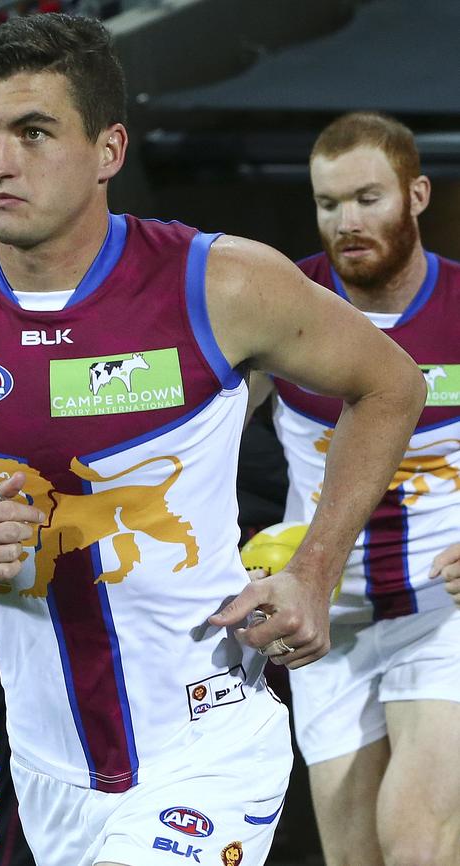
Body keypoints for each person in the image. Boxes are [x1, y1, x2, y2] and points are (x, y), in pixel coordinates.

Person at [0, 16, 425, 866]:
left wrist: (314, 569)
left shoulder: (220, 281)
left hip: (206, 751)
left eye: (33, 133)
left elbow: (392, 385)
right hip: (46, 771)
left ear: (109, 150)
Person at [248, 111, 460, 866]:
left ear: (418, 194)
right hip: (326, 621)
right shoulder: (280, 305)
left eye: (368, 198)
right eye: (327, 203)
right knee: (352, 856)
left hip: (443, 613)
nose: (347, 221)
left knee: (416, 842)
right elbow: (196, 433)